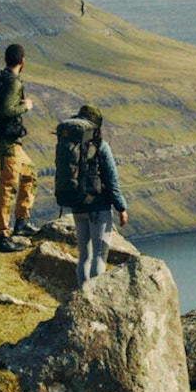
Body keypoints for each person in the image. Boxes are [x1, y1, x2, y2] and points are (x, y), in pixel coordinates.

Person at [0, 43, 39, 253]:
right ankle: (0, 236)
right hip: (7, 141)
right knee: (8, 187)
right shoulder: (12, 83)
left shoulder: (3, 78)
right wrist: (25, 107)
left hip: (7, 140)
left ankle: (22, 222)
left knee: (30, 173)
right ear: (22, 61)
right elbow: (6, 110)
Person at [72, 104, 128, 281]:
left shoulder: (70, 145)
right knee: (99, 255)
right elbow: (112, 181)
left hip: (77, 206)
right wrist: (121, 208)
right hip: (98, 207)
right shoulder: (100, 146)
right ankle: (94, 300)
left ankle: (82, 296)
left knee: (84, 256)